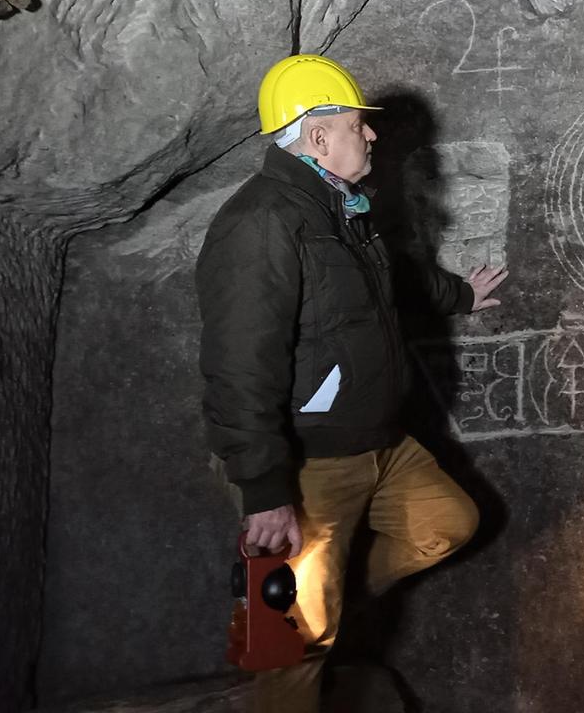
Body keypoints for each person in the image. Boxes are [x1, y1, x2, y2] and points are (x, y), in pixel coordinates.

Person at [196, 53, 509, 713]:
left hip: (381, 443)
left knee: (448, 522)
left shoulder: (339, 204)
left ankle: (332, 600)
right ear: (317, 139)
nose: (369, 136)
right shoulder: (263, 226)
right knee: (293, 642)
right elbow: (236, 370)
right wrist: (264, 491)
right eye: (356, 126)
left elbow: (386, 278)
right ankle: (299, 634)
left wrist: (456, 296)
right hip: (308, 460)